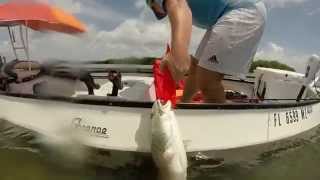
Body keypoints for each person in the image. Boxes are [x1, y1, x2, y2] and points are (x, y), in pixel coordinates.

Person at [146, 0, 267, 103]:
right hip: (223, 16)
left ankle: (217, 125)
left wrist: (177, 53)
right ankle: (184, 101)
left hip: (243, 10)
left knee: (208, 81)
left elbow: (178, 4)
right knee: (195, 68)